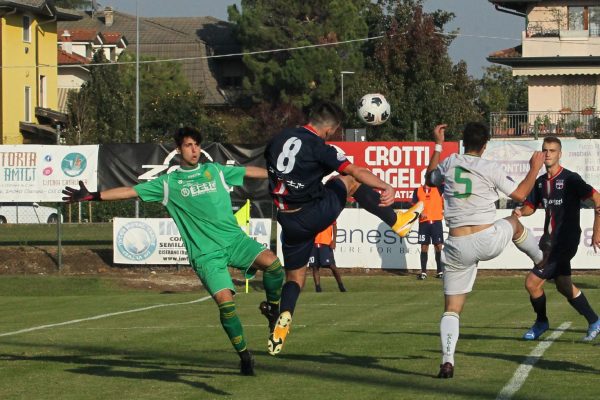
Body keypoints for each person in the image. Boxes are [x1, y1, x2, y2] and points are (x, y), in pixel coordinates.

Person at [62, 127, 284, 376]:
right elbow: (131, 191)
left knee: (274, 266)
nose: (194, 150)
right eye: (188, 145)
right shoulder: (169, 183)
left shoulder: (215, 171)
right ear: (178, 150)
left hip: (234, 241)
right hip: (205, 254)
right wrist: (94, 196)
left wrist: (276, 174)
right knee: (226, 306)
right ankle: (244, 356)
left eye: (197, 145)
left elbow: (248, 172)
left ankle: (273, 309)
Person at [264, 101, 424, 356]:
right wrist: (387, 187)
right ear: (330, 128)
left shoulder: (279, 139)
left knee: (294, 278)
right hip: (312, 214)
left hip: (287, 219)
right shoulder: (319, 146)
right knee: (348, 180)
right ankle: (397, 221)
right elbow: (356, 171)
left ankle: (284, 317)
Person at [425, 122, 545, 379]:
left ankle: (447, 360)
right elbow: (522, 194)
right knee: (513, 222)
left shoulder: (449, 162)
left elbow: (429, 177)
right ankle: (541, 261)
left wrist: (437, 144)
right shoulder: (490, 167)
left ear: (463, 142)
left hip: (457, 245)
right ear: (485, 144)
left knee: (452, 309)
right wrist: (534, 168)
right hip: (485, 238)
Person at [514, 136, 600, 342]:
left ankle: (541, 322)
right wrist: (519, 212)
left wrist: (597, 230)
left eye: (552, 150)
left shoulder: (571, 179)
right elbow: (530, 207)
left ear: (560, 154)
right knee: (564, 286)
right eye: (545, 150)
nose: (548, 154)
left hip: (565, 242)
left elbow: (596, 197)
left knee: (532, 283)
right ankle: (594, 320)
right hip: (550, 242)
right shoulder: (541, 182)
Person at [412, 183, 445, 280]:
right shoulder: (417, 190)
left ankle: (440, 271)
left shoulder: (438, 188)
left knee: (438, 246)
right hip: (423, 223)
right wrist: (419, 211)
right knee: (424, 246)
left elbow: (447, 180)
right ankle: (423, 272)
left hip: (436, 222)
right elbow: (414, 204)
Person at [308, 222, 346, 293]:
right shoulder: (312, 211)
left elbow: (334, 226)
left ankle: (341, 286)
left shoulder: (329, 211)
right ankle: (318, 289)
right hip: (313, 243)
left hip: (326, 242)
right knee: (315, 267)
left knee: (332, 266)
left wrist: (334, 241)